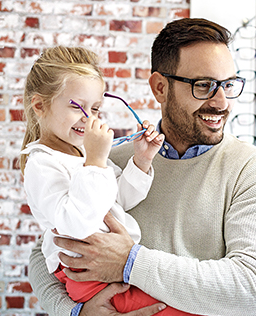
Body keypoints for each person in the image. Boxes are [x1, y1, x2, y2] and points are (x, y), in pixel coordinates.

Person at [28, 18, 256, 316]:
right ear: (160, 87)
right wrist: (75, 313)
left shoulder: (250, 170)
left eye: (228, 85)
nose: (221, 102)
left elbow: (252, 288)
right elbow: (44, 251)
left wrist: (130, 261)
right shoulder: (113, 161)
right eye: (204, 86)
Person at [21, 45, 201, 315]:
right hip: (90, 279)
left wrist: (141, 160)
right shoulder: (42, 164)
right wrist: (94, 160)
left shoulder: (84, 154)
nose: (88, 119)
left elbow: (120, 201)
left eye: (94, 108)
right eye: (77, 107)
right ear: (39, 106)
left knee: (184, 304)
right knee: (184, 309)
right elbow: (75, 224)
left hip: (111, 273)